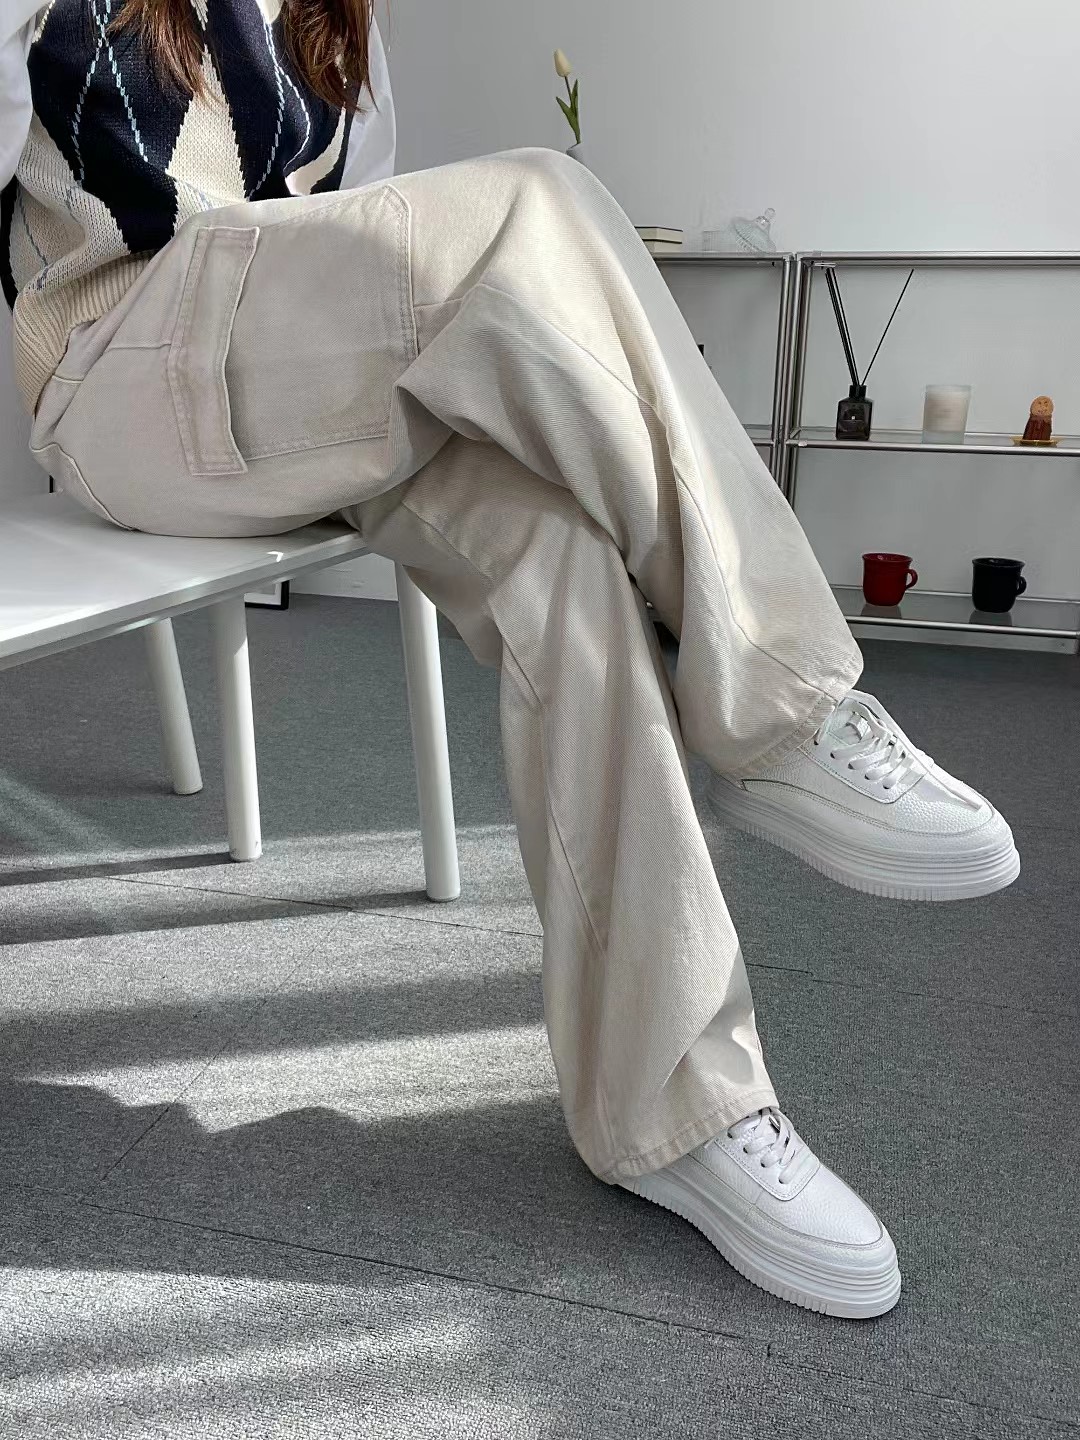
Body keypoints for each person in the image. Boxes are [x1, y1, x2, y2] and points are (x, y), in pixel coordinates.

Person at [0, 0, 1019, 1320]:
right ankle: (780, 716)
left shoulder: (333, 21)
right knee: (540, 195)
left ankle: (676, 1106)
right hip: (116, 374)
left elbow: (356, 232)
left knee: (565, 561)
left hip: (299, 382)